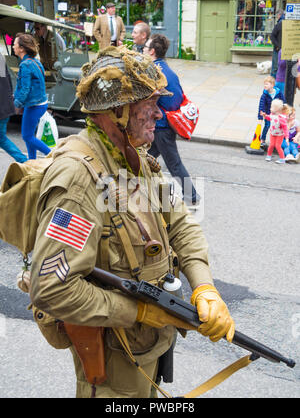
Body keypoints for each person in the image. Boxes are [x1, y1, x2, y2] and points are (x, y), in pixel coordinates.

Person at [29, 47, 235, 398]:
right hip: (113, 361)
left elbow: (181, 223)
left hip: (146, 346)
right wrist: (137, 310)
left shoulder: (133, 159)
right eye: (149, 103)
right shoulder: (79, 181)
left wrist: (204, 286)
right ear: (116, 111)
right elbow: (52, 288)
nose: (159, 112)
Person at [143, 34, 200, 208]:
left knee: (174, 164)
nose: (143, 50)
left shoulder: (154, 72)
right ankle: (139, 189)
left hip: (161, 127)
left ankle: (192, 196)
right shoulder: (168, 70)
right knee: (144, 158)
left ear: (152, 51)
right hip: (167, 125)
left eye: (145, 48)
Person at [13, 33, 51, 160]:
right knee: (30, 136)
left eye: (15, 44)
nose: (13, 46)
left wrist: (16, 102)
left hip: (34, 105)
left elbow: (25, 89)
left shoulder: (25, 65)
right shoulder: (35, 61)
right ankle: (32, 161)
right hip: (40, 103)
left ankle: (52, 155)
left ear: (22, 48)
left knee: (27, 136)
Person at [0, 52, 27, 163]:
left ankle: (25, 161)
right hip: (5, 105)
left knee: (2, 139)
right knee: (2, 139)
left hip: (2, 107)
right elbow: (7, 78)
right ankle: (25, 161)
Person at [258, 75, 285, 149]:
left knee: (278, 126)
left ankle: (278, 141)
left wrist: (284, 112)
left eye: (267, 84)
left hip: (277, 114)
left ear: (272, 85)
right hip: (267, 113)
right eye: (264, 84)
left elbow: (283, 102)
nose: (265, 85)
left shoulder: (278, 92)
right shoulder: (264, 95)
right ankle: (263, 140)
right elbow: (261, 106)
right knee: (267, 126)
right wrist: (260, 118)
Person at [263, 99, 289, 163]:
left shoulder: (281, 118)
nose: (270, 108)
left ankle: (282, 159)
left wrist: (286, 137)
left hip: (280, 134)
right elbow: (270, 118)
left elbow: (285, 128)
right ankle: (269, 155)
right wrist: (265, 116)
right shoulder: (272, 114)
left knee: (278, 146)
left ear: (277, 109)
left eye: (272, 107)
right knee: (271, 145)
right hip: (272, 133)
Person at [270, 9, 284, 79]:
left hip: (278, 49)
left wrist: (277, 46)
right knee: (279, 67)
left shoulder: (279, 23)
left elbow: (272, 36)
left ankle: (273, 83)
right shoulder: (282, 23)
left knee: (275, 68)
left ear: (279, 15)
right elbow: (272, 36)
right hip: (280, 48)